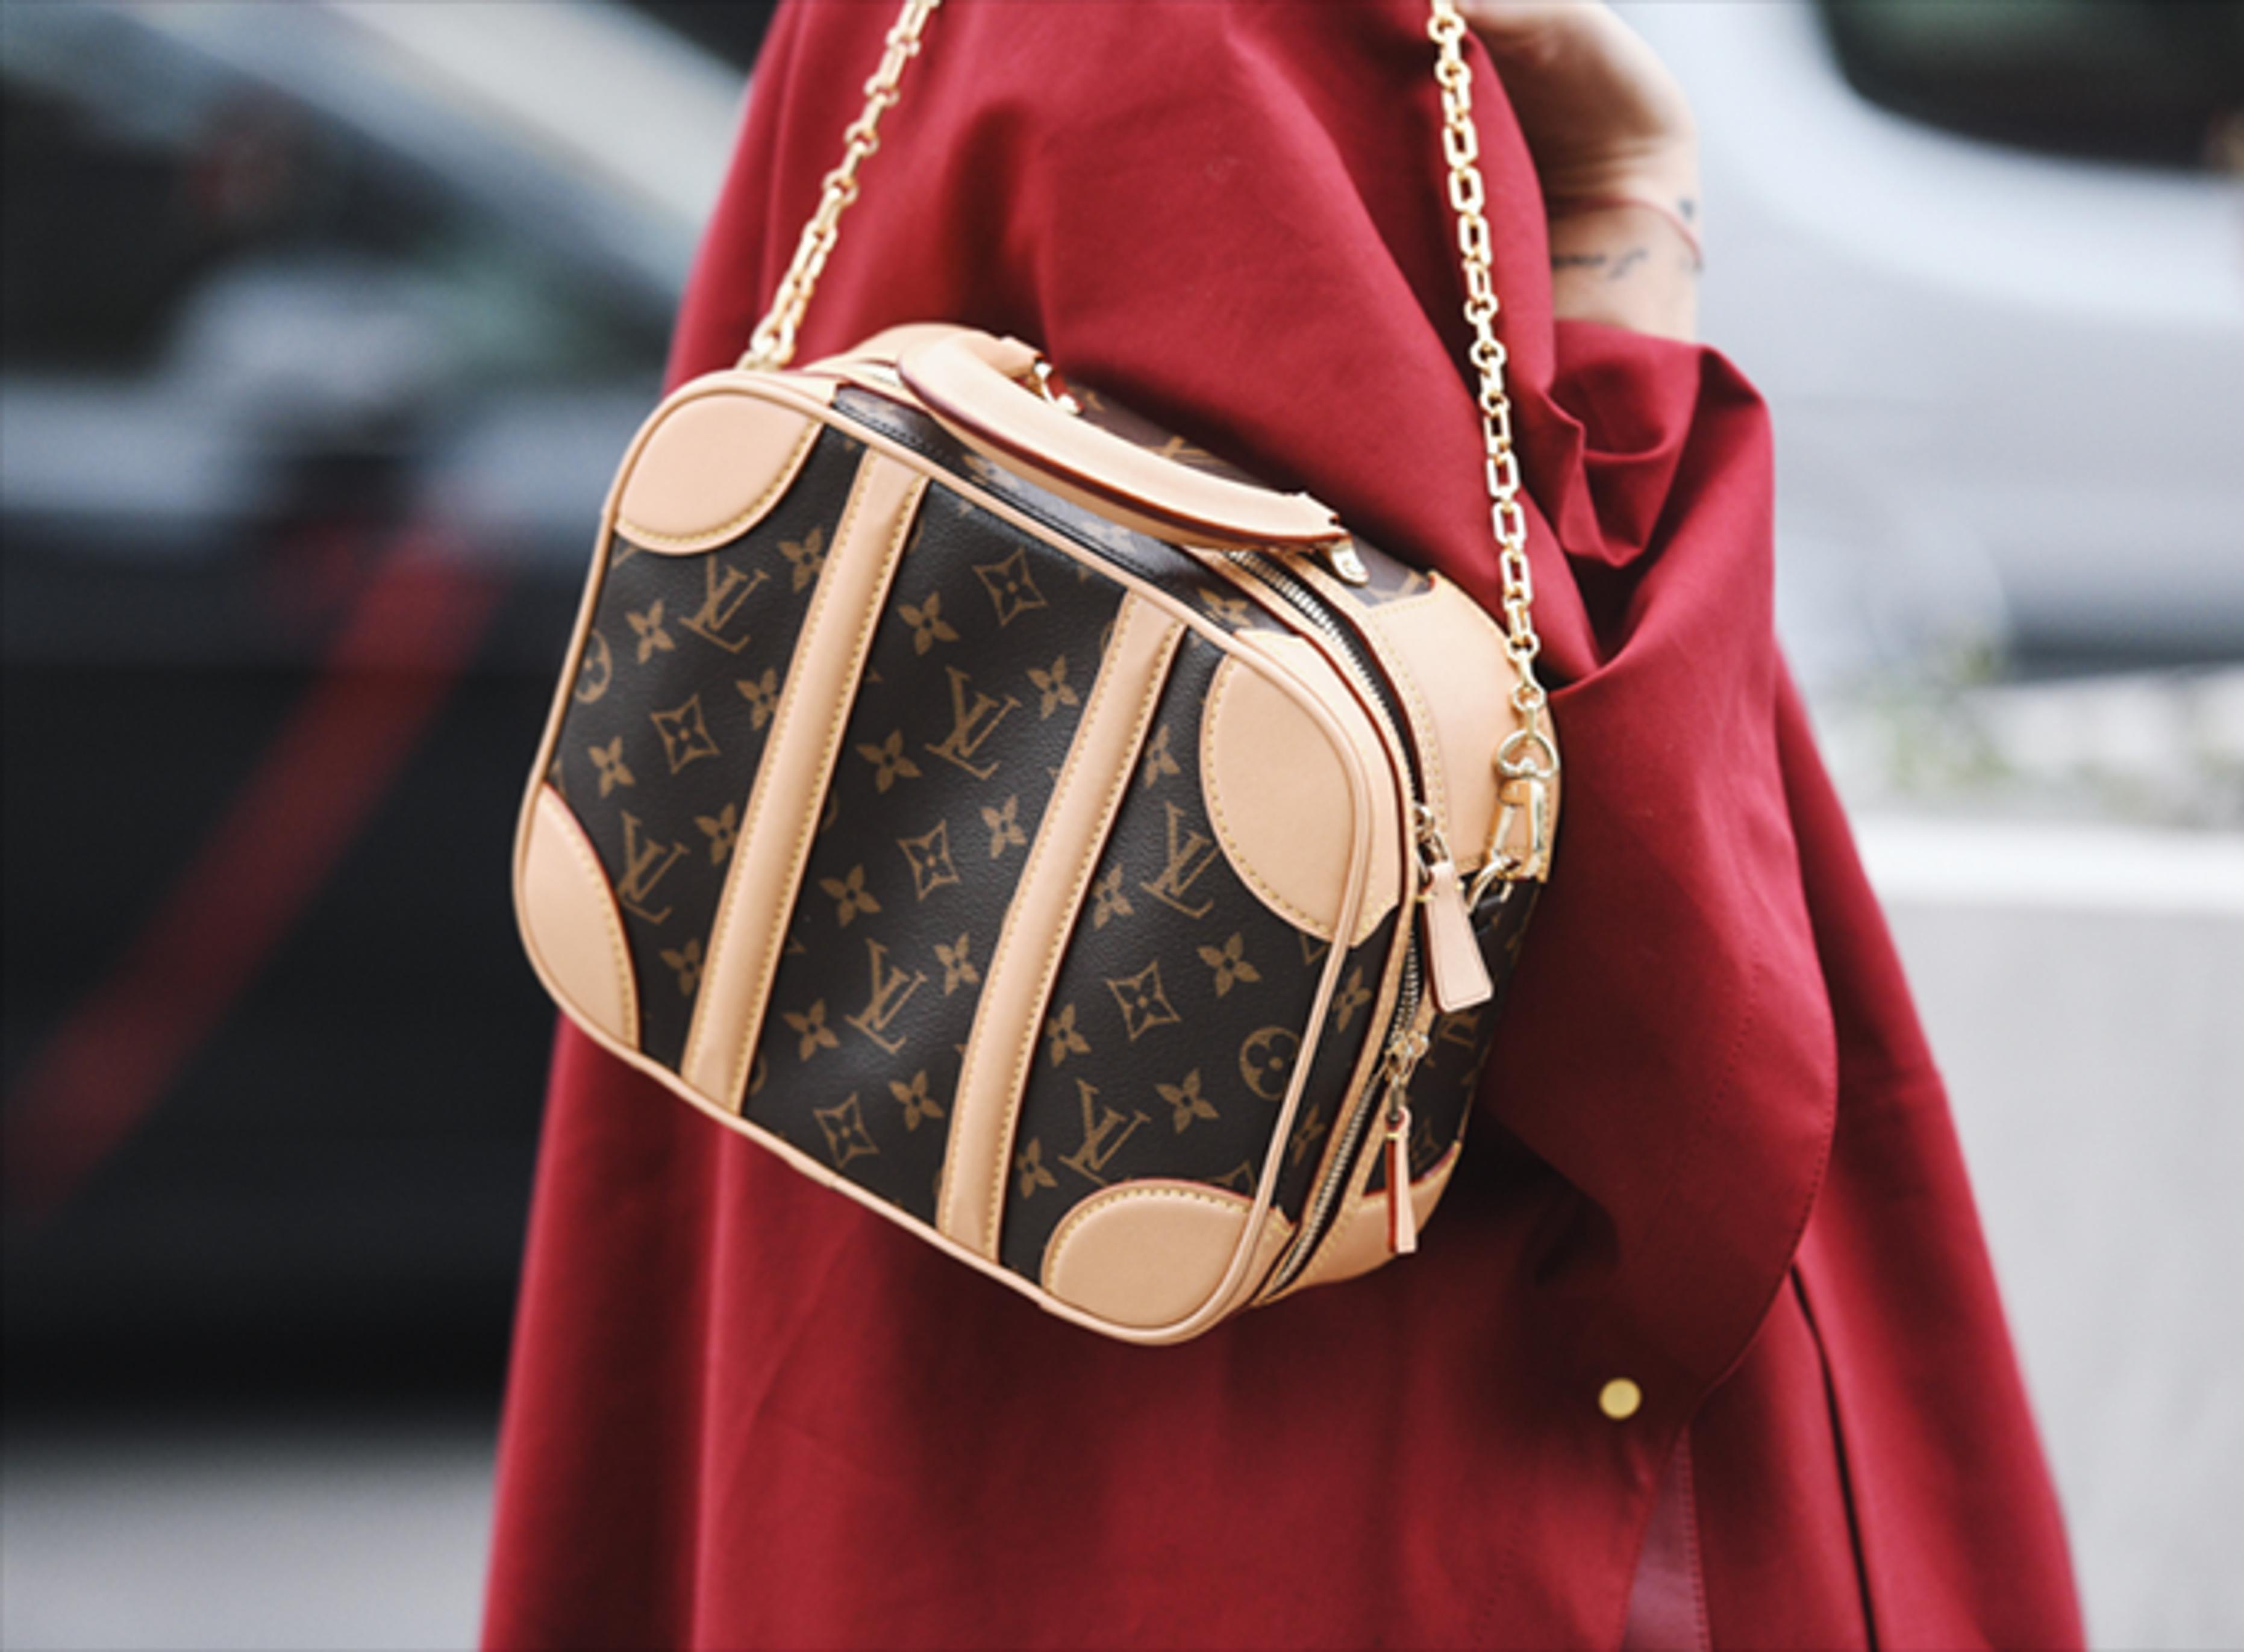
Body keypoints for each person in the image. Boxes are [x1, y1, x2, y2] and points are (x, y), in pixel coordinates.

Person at [484, 4, 2085, 1646]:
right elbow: (1628, 876)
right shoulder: (1284, 39)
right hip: (1306, 1412)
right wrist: (1629, 202)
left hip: (854, 1179)